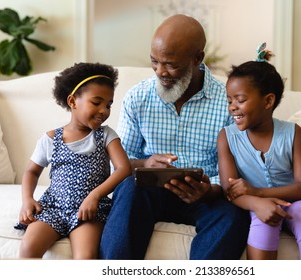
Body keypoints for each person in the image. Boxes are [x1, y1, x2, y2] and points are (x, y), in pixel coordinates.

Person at [100, 14, 250, 260]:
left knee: (233, 216)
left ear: (197, 59)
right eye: (154, 61)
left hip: (207, 197)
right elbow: (119, 161)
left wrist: (210, 190)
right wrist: (145, 164)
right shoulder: (138, 98)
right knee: (129, 189)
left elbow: (238, 170)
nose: (161, 72)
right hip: (149, 193)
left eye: (171, 64)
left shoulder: (228, 103)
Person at [217, 43, 301, 260]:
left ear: (268, 101)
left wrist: (258, 192)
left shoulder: (293, 133)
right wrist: (258, 202)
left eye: (240, 100)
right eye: (229, 100)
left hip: (295, 203)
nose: (232, 106)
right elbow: (229, 190)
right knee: (263, 219)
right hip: (255, 206)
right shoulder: (227, 137)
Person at [15, 62, 132, 259]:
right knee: (28, 249)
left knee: (85, 258)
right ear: (72, 101)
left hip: (88, 212)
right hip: (53, 207)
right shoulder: (51, 138)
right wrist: (27, 199)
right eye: (97, 102)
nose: (104, 110)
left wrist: (94, 197)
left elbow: (124, 169)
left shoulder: (106, 135)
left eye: (109, 104)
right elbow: (31, 172)